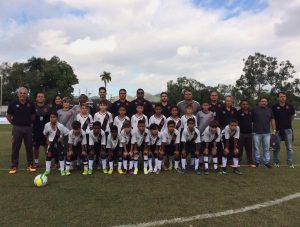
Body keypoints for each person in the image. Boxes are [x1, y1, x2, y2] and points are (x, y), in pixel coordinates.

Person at [7, 87, 36, 174]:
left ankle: (30, 164)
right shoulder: (13, 104)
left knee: (29, 147)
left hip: (28, 128)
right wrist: (14, 124)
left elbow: (33, 115)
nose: (22, 94)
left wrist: (30, 123)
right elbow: (8, 116)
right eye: (21, 93)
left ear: (26, 94)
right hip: (17, 128)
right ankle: (14, 166)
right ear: (18, 94)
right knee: (15, 147)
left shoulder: (30, 104)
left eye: (24, 93)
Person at [272, 92, 295, 168]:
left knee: (289, 147)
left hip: (288, 130)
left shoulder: (290, 106)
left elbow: (292, 117)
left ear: (286, 97)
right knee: (276, 147)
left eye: (284, 96)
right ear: (278, 98)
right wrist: (274, 129)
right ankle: (276, 162)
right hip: (278, 130)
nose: (283, 98)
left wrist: (287, 124)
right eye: (281, 96)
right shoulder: (274, 107)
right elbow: (273, 119)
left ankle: (290, 162)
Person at [43, 112, 69, 176]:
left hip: (59, 143)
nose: (52, 119)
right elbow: (45, 133)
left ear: (57, 118)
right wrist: (47, 140)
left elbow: (66, 133)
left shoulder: (60, 126)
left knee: (61, 156)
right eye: (51, 117)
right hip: (51, 143)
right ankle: (47, 170)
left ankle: (62, 170)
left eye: (54, 117)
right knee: (48, 156)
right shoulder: (47, 125)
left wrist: (62, 139)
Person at [252, 97, 276, 168]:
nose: (264, 103)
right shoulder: (254, 110)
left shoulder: (270, 110)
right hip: (256, 132)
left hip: (266, 133)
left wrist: (274, 129)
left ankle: (266, 162)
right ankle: (257, 162)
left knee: (266, 148)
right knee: (256, 148)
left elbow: (272, 120)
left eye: (265, 101)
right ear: (259, 102)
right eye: (262, 101)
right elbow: (250, 120)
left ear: (267, 103)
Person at [32, 92, 51, 168]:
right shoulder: (33, 107)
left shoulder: (48, 107)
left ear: (44, 98)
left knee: (47, 146)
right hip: (36, 131)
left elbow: (51, 118)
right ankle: (36, 162)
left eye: (42, 96)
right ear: (36, 98)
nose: (40, 98)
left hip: (46, 131)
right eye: (38, 96)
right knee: (36, 147)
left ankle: (47, 162)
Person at [236, 99, 255, 167]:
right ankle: (238, 161)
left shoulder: (251, 112)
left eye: (246, 104)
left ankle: (250, 161)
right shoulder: (238, 112)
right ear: (241, 105)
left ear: (248, 105)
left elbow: (253, 122)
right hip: (241, 133)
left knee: (249, 148)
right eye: (243, 104)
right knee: (239, 148)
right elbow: (236, 123)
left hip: (249, 133)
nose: (245, 105)